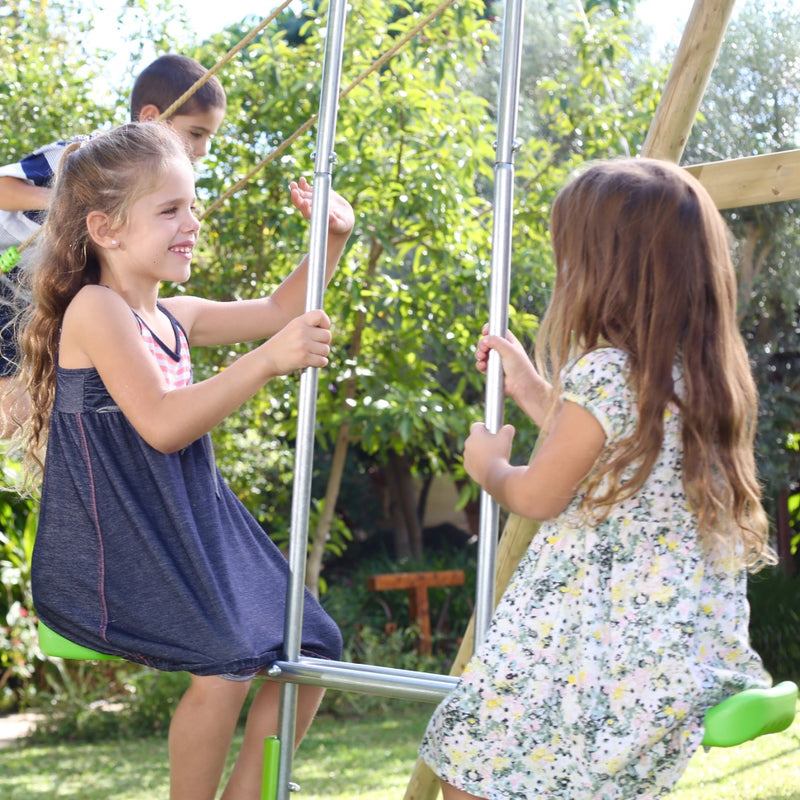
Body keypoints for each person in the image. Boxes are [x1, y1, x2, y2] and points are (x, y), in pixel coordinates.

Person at [419, 157, 776, 799]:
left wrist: (489, 465)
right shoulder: (700, 379)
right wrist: (529, 384)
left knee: (468, 769)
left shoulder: (608, 373)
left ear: (605, 270)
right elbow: (603, 444)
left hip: (580, 645)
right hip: (659, 649)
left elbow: (541, 491)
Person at [16, 121, 351, 800]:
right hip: (126, 535)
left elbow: (281, 307)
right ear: (106, 230)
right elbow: (164, 427)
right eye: (170, 209)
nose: (191, 222)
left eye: (192, 205)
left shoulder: (177, 316)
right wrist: (267, 362)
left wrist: (334, 237)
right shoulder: (95, 310)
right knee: (225, 662)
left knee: (314, 648)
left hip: (192, 522)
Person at [0, 54, 227, 437]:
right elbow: (4, 186)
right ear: (152, 117)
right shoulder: (87, 158)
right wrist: (64, 202)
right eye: (196, 133)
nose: (203, 149)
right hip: (13, 276)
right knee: (15, 393)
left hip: (58, 279)